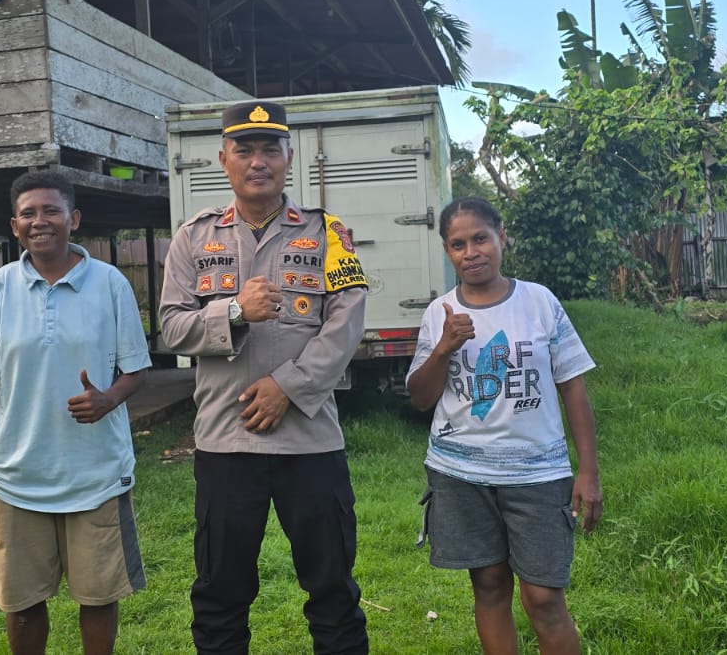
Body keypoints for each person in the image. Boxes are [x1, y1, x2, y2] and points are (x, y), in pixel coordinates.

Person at [158, 100, 372, 655]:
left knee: (333, 591)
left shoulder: (328, 233)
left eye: (270, 149)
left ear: (288, 157)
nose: (258, 161)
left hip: (310, 444)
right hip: (227, 445)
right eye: (245, 149)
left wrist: (289, 388)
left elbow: (346, 325)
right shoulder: (193, 239)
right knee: (219, 597)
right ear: (223, 158)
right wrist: (232, 312)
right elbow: (171, 329)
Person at [0, 171, 152, 655]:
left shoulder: (110, 283)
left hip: (95, 474)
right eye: (28, 213)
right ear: (13, 225)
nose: (39, 221)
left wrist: (108, 398)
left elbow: (135, 370)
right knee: (22, 607)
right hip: (17, 475)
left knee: (99, 598)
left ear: (74, 219)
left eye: (51, 210)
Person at [405, 197, 604, 655]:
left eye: (480, 239)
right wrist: (444, 348)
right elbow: (420, 398)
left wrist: (588, 471)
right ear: (447, 251)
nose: (471, 252)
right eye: (458, 244)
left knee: (544, 598)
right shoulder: (439, 313)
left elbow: (573, 388)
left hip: (537, 475)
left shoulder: (539, 302)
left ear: (501, 238)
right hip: (461, 475)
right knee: (490, 585)